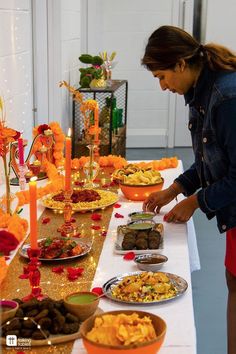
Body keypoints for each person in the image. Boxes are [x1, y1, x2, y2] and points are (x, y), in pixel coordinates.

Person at [142, 25, 236, 354]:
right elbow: (214, 160)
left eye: (162, 76)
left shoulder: (226, 98)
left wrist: (196, 201)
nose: (163, 86)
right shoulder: (202, 92)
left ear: (181, 64)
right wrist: (176, 189)